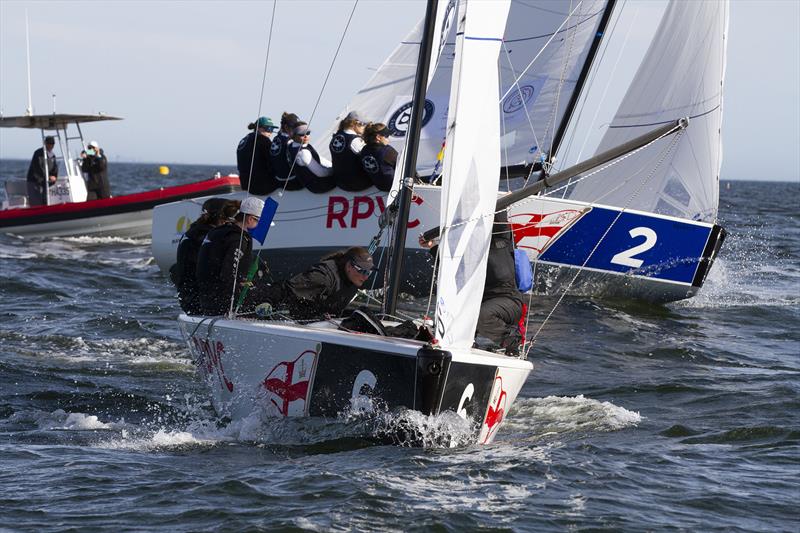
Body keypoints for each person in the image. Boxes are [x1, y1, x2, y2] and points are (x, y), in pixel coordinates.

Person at [419, 211, 524, 354]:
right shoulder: (468, 250)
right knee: (452, 313)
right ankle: (465, 343)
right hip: (479, 302)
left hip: (508, 300)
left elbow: (501, 222)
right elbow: (449, 264)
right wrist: (432, 246)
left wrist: (501, 204)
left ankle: (512, 341)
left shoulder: (501, 241)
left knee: (480, 315)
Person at [259, 246, 376, 320]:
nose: (365, 276)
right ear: (349, 266)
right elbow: (285, 288)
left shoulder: (354, 279)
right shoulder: (322, 277)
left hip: (323, 324)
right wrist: (267, 301)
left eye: (369, 272)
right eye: (363, 271)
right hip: (294, 320)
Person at [195, 196, 267, 315]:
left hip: (205, 298)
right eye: (259, 222)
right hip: (222, 303)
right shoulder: (238, 239)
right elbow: (228, 275)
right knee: (275, 292)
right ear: (250, 219)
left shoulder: (218, 231)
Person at [170, 198, 240, 314]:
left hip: (189, 300)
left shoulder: (193, 232)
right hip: (203, 303)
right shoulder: (208, 239)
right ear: (223, 219)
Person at [285, 123, 335, 193]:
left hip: (307, 184)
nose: (306, 136)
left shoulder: (291, 146)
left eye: (308, 133)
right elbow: (321, 173)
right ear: (294, 135)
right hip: (319, 186)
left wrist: (331, 165)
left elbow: (320, 159)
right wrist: (335, 170)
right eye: (301, 134)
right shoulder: (303, 153)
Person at [236, 116, 278, 195]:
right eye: (269, 129)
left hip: (245, 185)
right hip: (261, 186)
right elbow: (273, 162)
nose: (271, 132)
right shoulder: (263, 140)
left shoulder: (244, 140)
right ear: (259, 128)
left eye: (272, 130)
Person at [330, 111, 370, 191]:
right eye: (363, 124)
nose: (365, 127)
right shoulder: (355, 140)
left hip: (340, 183)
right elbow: (370, 157)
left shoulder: (335, 138)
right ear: (355, 123)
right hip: (357, 183)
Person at [270, 112, 304, 191]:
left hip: (279, 181)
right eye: (295, 128)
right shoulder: (290, 142)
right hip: (291, 182)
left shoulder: (275, 139)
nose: (297, 130)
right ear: (286, 127)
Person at [360, 123, 398, 191]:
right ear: (378, 137)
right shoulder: (388, 151)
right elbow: (403, 167)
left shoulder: (364, 150)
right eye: (386, 136)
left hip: (380, 187)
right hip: (394, 187)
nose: (388, 139)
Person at [26, 135, 58, 206]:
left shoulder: (52, 156)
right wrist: (49, 176)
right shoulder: (38, 153)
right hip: (34, 182)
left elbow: (55, 168)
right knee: (36, 204)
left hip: (45, 183)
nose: (51, 145)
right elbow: (38, 168)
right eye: (49, 143)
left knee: (45, 202)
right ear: (45, 143)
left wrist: (54, 176)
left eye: (52, 144)